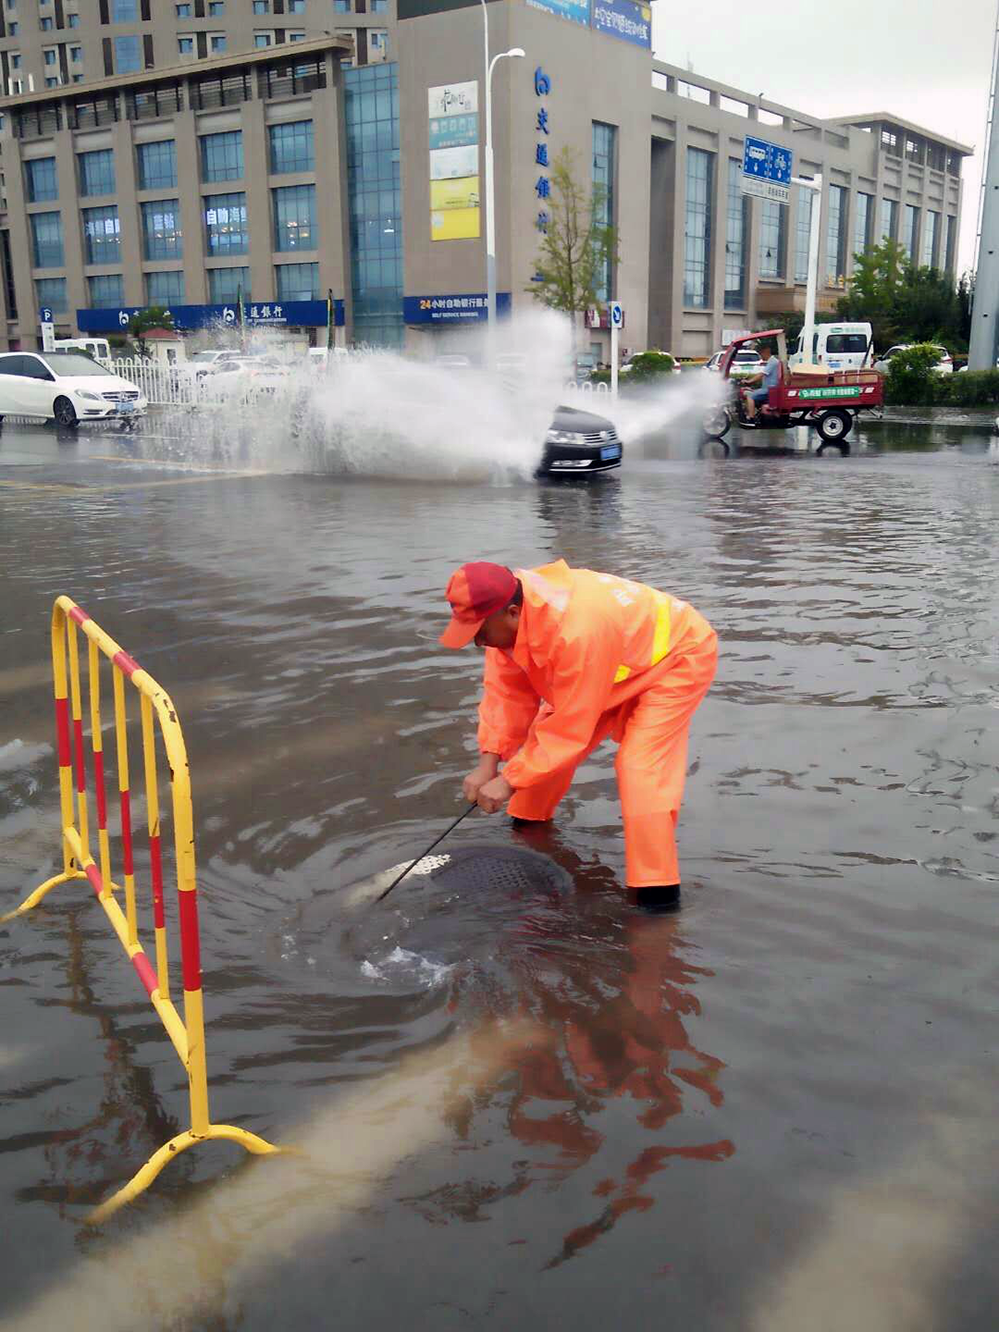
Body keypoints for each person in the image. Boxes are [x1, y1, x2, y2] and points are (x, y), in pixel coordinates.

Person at [438, 561, 718, 908]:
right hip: (609, 665)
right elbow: (506, 696)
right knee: (532, 769)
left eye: (478, 631)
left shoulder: (578, 628)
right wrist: (488, 764)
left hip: (675, 658)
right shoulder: (507, 615)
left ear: (512, 613)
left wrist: (508, 781)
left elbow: (570, 728)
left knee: (639, 768)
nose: (476, 642)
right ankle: (529, 836)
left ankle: (656, 896)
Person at [743, 342, 780, 421]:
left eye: (761, 353)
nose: (760, 356)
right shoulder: (771, 362)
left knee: (750, 396)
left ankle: (751, 417)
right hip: (768, 389)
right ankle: (755, 413)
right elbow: (761, 373)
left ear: (766, 351)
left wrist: (749, 381)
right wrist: (750, 379)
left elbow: (761, 374)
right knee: (749, 392)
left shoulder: (773, 362)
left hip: (770, 389)